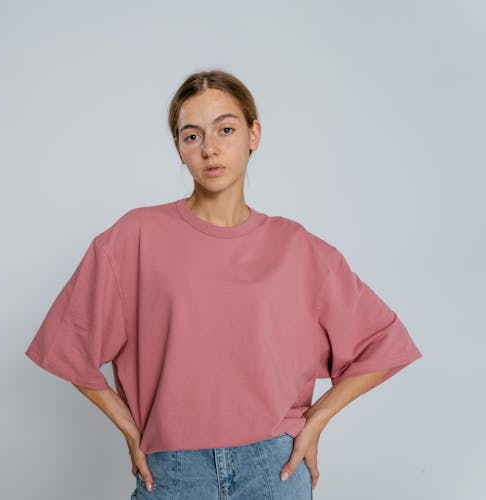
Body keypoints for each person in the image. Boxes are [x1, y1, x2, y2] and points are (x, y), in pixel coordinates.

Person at [24, 69, 423, 499]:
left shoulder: (296, 247)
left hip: (274, 469)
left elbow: (383, 343)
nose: (210, 149)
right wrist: (129, 429)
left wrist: (316, 421)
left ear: (254, 134)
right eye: (192, 136)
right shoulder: (136, 236)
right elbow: (68, 343)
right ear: (178, 149)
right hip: (173, 473)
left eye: (225, 129)